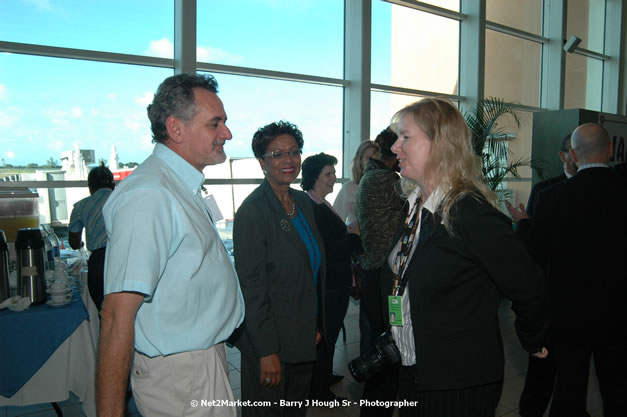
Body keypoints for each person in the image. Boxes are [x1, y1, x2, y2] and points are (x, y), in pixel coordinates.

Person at [384, 97, 549, 416]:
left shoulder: (468, 214)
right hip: (416, 370)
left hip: (456, 382)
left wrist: (534, 339)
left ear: (440, 145)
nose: (394, 147)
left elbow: (528, 285)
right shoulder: (416, 206)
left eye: (406, 137)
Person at [96, 73, 245, 417]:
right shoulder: (151, 195)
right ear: (176, 129)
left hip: (196, 364)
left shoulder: (175, 186)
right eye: (215, 124)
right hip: (183, 375)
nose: (227, 133)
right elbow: (117, 316)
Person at [528, 123, 627, 417]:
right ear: (610, 150)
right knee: (619, 391)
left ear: (572, 153)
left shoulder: (550, 198)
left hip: (569, 316)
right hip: (621, 316)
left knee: (569, 390)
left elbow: (535, 258)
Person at [231, 121, 325, 417]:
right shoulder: (253, 212)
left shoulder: (301, 202)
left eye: (294, 152)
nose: (288, 160)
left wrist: (314, 323)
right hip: (269, 342)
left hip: (301, 335)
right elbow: (252, 287)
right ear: (262, 162)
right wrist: (266, 351)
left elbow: (309, 272)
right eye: (277, 154)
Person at [504, 133, 577, 417]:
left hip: (581, 303)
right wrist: (524, 226)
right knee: (541, 375)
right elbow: (533, 251)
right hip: (551, 299)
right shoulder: (546, 191)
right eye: (573, 150)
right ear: (563, 155)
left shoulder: (606, 189)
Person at [301, 152, 362, 401]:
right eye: (328, 174)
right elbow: (332, 247)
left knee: (331, 333)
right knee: (326, 335)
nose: (334, 179)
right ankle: (318, 389)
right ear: (315, 177)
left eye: (333, 173)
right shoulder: (314, 208)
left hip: (332, 282)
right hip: (329, 285)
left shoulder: (319, 204)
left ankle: (324, 376)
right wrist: (355, 236)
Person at [355, 127, 406, 417]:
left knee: (380, 345)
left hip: (375, 276)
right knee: (389, 351)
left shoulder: (370, 178)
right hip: (387, 281)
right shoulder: (388, 181)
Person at [68, 163, 115, 311]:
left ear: (90, 187)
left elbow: (74, 243)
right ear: (113, 184)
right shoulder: (125, 199)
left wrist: (81, 243)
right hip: (125, 257)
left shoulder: (81, 207)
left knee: (104, 313)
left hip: (98, 264)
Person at [333, 140, 379, 224]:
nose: (373, 163)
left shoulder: (386, 188)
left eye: (377, 159)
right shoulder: (350, 188)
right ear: (360, 160)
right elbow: (335, 221)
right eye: (369, 158)